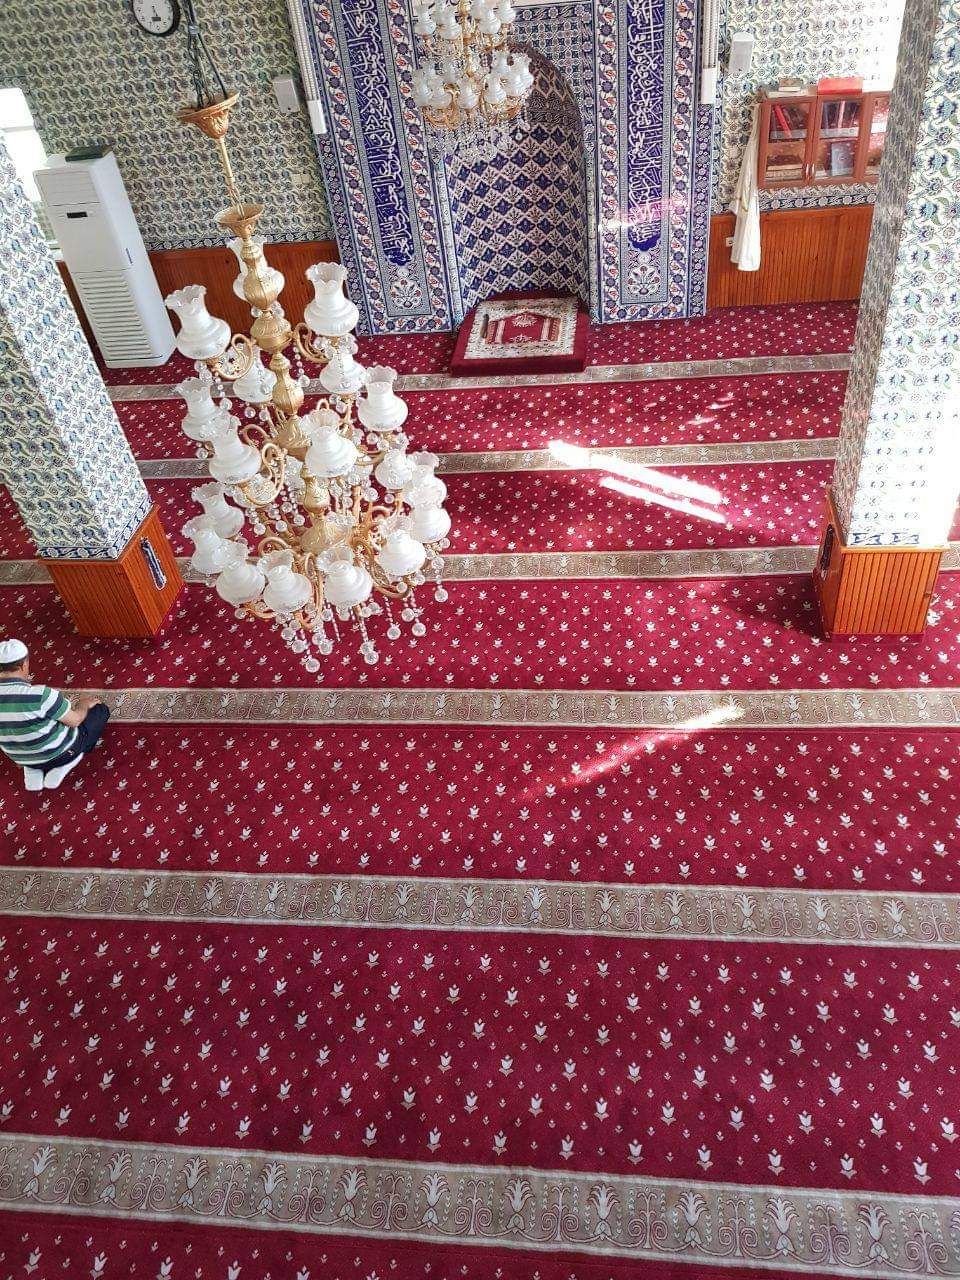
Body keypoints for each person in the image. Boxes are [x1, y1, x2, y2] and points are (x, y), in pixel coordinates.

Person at [0, 639, 110, 791]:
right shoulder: (41, 695)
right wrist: (83, 704)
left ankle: (31, 769)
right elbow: (75, 720)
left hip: (20, 758)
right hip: (62, 754)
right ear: (23, 665)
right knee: (100, 711)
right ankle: (65, 765)